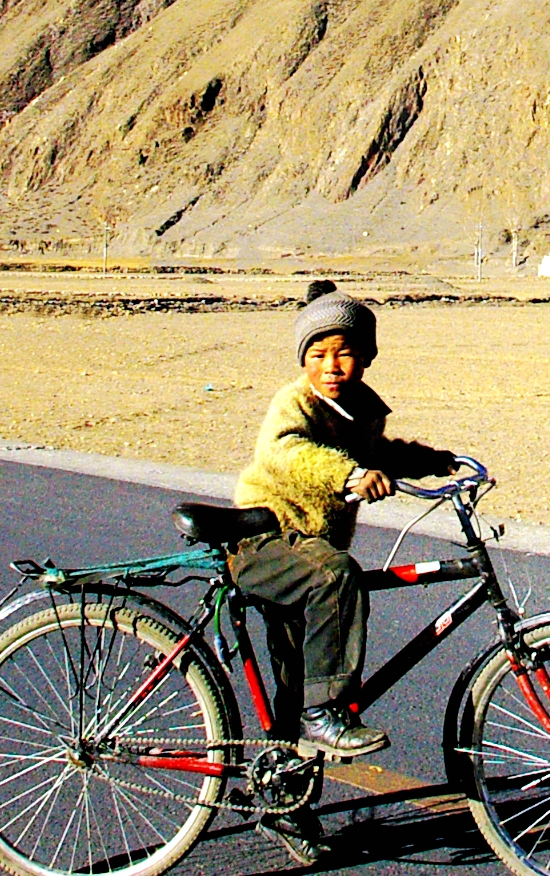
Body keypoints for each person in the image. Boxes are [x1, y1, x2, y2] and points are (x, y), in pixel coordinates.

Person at [231, 280, 457, 765]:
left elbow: (378, 454)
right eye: (318, 354)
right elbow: (286, 452)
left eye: (345, 353)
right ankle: (326, 712)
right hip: (264, 541)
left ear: (367, 357)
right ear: (302, 359)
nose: (331, 366)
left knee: (297, 686)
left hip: (307, 551)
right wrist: (348, 475)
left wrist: (433, 461)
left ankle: (288, 799)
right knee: (338, 576)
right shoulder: (293, 403)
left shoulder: (360, 408)